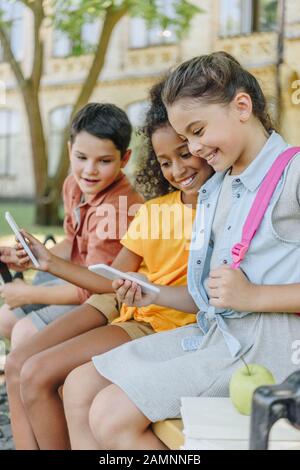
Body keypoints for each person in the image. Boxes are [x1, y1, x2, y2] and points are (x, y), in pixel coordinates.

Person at [61, 52, 300, 450]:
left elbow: (242, 297)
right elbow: (206, 299)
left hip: (270, 353)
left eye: (198, 130)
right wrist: (148, 290)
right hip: (216, 336)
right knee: (80, 386)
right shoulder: (218, 187)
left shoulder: (292, 175)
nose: (194, 147)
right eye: (185, 137)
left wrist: (256, 296)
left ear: (242, 106)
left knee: (110, 415)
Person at [1, 81, 213, 449]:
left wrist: (48, 271)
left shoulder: (218, 210)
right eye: (165, 162)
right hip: (121, 303)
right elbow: (109, 279)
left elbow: (188, 295)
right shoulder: (153, 211)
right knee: (25, 364)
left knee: (38, 371)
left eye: (184, 155)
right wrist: (46, 260)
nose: (176, 169)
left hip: (153, 317)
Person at [0, 103, 143, 348]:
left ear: (125, 158)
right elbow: (73, 243)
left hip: (106, 297)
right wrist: (27, 258)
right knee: (4, 319)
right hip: (76, 282)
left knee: (25, 333)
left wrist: (29, 294)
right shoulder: (73, 186)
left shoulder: (118, 208)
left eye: (104, 161)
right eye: (81, 157)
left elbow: (96, 286)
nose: (89, 171)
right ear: (69, 150)